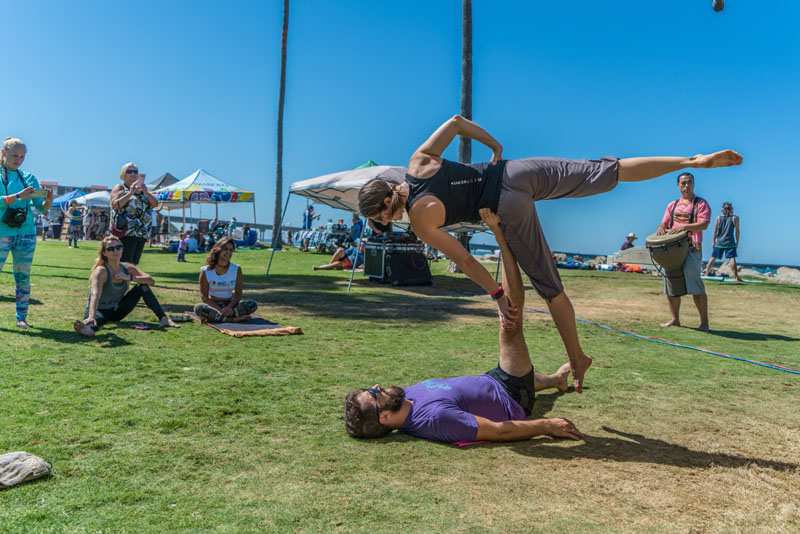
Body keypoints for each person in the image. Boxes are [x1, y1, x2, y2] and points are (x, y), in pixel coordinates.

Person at [358, 114, 742, 392]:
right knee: (609, 170)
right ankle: (692, 160)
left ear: (385, 210)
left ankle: (577, 358)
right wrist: (493, 145)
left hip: (505, 205)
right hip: (515, 171)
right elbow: (457, 122)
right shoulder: (417, 163)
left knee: (550, 287)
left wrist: (495, 295)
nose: (389, 222)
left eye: (383, 219)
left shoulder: (422, 220)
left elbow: (465, 260)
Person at [344, 208, 581, 442]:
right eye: (374, 393)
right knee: (510, 319)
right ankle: (503, 239)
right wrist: (547, 425)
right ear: (384, 417)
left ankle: (555, 380)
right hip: (512, 397)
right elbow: (498, 430)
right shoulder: (435, 418)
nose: (376, 386)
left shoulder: (403, 399)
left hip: (493, 381)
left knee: (524, 369)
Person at [74, 236, 178, 337]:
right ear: (105, 253)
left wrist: (129, 277)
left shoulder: (127, 268)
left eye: (119, 247)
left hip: (117, 310)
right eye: (111, 249)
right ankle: (87, 328)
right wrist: (91, 315)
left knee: (142, 287)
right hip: (98, 309)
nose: (116, 251)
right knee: (97, 321)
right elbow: (95, 294)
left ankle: (163, 318)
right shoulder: (101, 271)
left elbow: (151, 281)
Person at [0, 137, 53, 328]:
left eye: (22, 157)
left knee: (23, 277)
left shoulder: (29, 178)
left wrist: (48, 200)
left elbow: (42, 209)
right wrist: (17, 197)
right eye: (15, 155)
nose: (18, 160)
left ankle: (21, 318)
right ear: (4, 152)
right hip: (1, 232)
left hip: (26, 233)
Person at [655, 172, 712, 331]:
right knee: (671, 284)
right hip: (672, 250)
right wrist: (660, 228)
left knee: (695, 284)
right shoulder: (672, 205)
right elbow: (664, 224)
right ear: (678, 185)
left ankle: (704, 323)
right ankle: (675, 319)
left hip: (692, 248)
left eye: (689, 182)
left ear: (693, 184)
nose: (686, 186)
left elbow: (704, 224)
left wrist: (684, 227)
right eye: (683, 183)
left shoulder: (701, 203)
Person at [194, 237, 258, 323]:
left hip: (231, 304)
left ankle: (222, 317)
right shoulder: (205, 271)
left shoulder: (237, 269)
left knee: (252, 304)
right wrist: (220, 310)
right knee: (199, 308)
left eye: (231, 250)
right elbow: (205, 298)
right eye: (225, 249)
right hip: (214, 304)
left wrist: (229, 308)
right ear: (218, 250)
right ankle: (232, 319)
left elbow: (238, 294)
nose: (228, 252)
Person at [110, 162, 157, 264]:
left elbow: (155, 204)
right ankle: (121, 279)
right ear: (123, 174)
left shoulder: (142, 191)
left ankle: (128, 279)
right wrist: (130, 193)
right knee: (125, 261)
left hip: (141, 232)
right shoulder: (120, 188)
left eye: (135, 171)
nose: (133, 174)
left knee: (134, 262)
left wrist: (146, 192)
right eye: (129, 171)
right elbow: (115, 205)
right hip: (125, 231)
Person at [704, 201, 741, 282]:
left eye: (728, 208)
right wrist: (737, 242)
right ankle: (736, 277)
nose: (727, 210)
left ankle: (706, 273)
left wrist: (713, 241)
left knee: (713, 257)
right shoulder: (735, 218)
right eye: (727, 208)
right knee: (731, 258)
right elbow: (737, 231)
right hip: (729, 242)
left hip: (720, 242)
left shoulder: (719, 218)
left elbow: (715, 231)